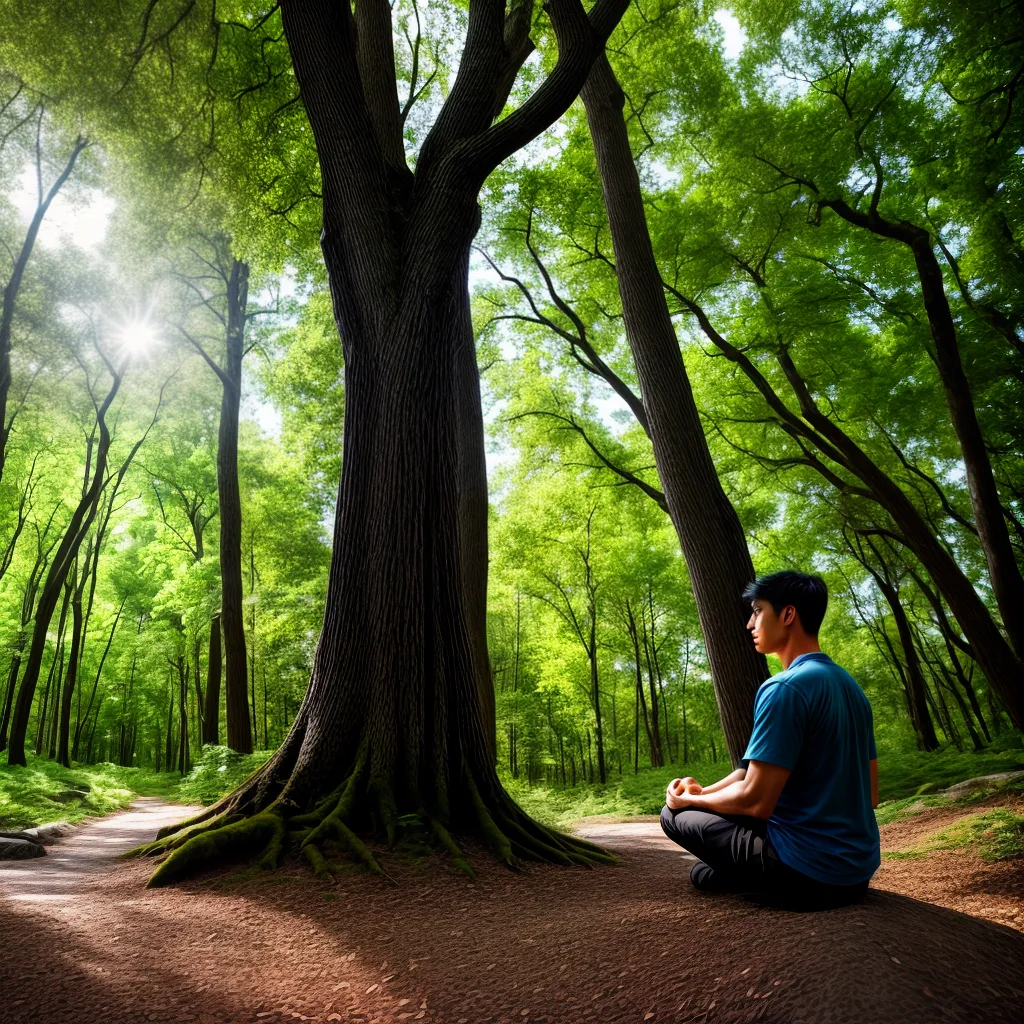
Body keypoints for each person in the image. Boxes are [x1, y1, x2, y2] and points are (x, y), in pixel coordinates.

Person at [660, 570, 880, 910]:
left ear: (788, 614)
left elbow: (755, 802)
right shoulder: (851, 689)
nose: (750, 623)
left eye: (758, 611)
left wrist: (687, 802)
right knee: (703, 871)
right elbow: (872, 795)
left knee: (671, 816)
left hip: (807, 875)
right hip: (855, 876)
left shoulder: (784, 688)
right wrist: (702, 793)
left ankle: (757, 879)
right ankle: (743, 874)